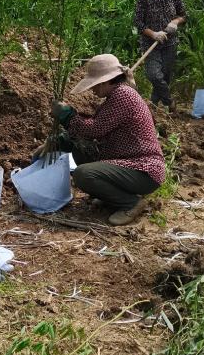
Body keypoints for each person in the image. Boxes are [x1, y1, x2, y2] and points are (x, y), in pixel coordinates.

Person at [52, 54, 165, 226]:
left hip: (144, 170)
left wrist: (68, 117)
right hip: (129, 163)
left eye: (94, 84)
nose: (92, 89)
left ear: (106, 81)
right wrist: (67, 139)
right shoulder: (117, 95)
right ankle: (112, 198)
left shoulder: (123, 95)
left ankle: (130, 203)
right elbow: (95, 129)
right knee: (80, 150)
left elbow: (94, 129)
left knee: (83, 174)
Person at [133, 0, 186, 108]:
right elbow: (137, 22)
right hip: (150, 43)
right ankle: (170, 102)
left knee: (165, 75)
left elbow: (183, 15)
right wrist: (154, 34)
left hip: (170, 42)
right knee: (154, 75)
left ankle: (154, 106)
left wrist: (175, 22)